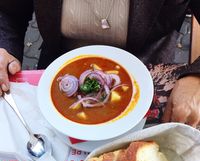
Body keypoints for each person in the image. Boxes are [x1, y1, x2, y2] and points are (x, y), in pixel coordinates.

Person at [0, 0, 200, 127]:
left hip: (149, 73)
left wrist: (196, 76)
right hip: (61, 73)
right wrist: (4, 49)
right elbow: (7, 12)